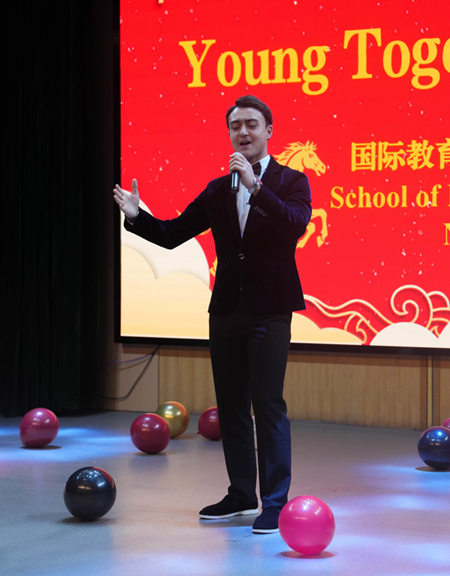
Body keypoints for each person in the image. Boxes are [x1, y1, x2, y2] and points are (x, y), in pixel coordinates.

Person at [112, 95, 312, 534]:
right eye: (235, 126)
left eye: (251, 124)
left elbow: (293, 225)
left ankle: (274, 502)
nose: (243, 132)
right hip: (225, 313)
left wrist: (257, 189)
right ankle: (241, 494)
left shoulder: (292, 181)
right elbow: (174, 233)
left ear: (269, 130)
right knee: (232, 408)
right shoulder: (218, 189)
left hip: (269, 312)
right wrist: (136, 217)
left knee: (268, 406)